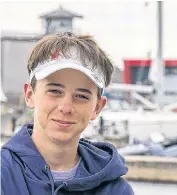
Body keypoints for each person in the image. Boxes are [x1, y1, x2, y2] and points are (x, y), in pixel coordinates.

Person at [1, 32, 134, 195]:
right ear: (30, 95)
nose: (66, 107)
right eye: (55, 91)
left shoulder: (116, 190)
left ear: (97, 107)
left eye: (81, 96)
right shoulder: (4, 176)